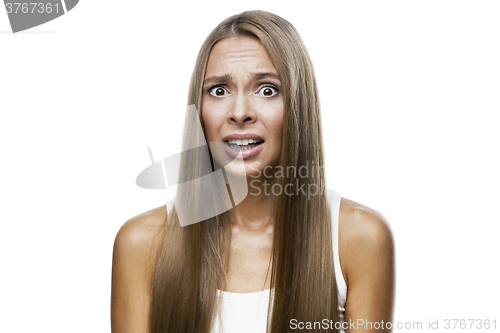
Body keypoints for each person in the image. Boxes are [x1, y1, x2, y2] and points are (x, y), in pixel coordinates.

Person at [111, 10, 395, 333]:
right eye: (219, 90)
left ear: (297, 106)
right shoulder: (141, 244)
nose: (240, 112)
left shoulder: (358, 239)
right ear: (199, 110)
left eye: (267, 90)